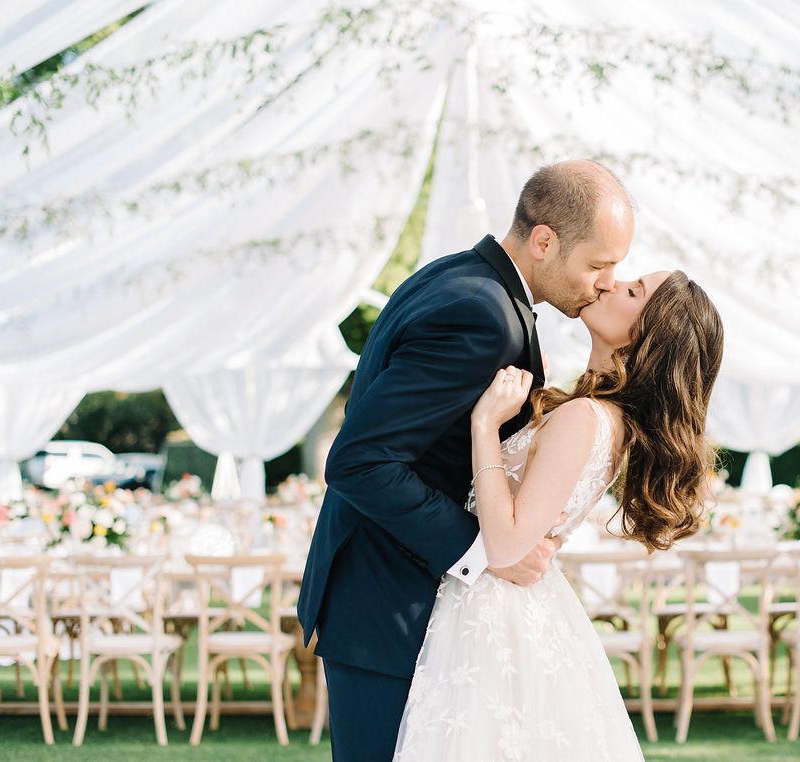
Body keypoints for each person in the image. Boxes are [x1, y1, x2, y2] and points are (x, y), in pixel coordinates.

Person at [296, 160, 635, 760]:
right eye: (597, 265)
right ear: (544, 240)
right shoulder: (481, 314)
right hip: (392, 606)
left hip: (400, 605)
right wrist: (488, 550)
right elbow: (361, 461)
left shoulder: (459, 279)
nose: (606, 283)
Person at [393, 268, 724, 760]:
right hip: (507, 606)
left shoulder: (584, 418)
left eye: (633, 291)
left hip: (493, 613)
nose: (611, 283)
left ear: (649, 336)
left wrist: (485, 425)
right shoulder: (601, 416)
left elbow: (506, 545)